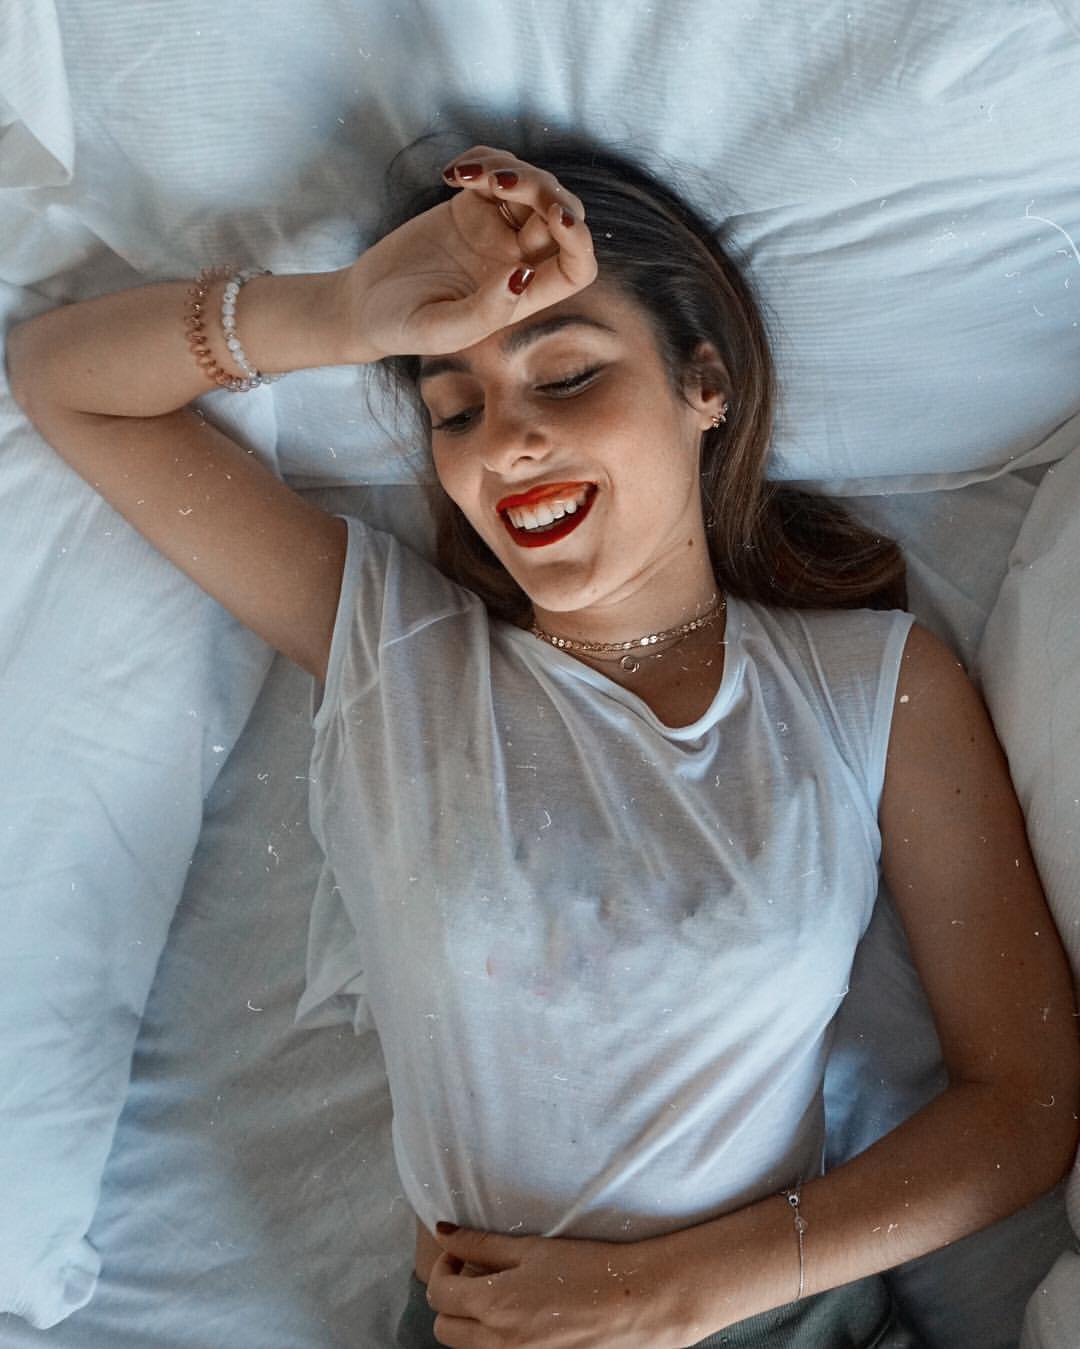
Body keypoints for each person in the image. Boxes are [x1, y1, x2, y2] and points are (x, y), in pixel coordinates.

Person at [5, 137, 1078, 1349]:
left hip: (781, 1321)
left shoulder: (874, 687)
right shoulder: (399, 655)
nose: (504, 441)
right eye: (454, 409)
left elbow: (1025, 1106)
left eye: (563, 375)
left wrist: (665, 1294)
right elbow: (63, 378)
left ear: (705, 381)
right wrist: (347, 312)